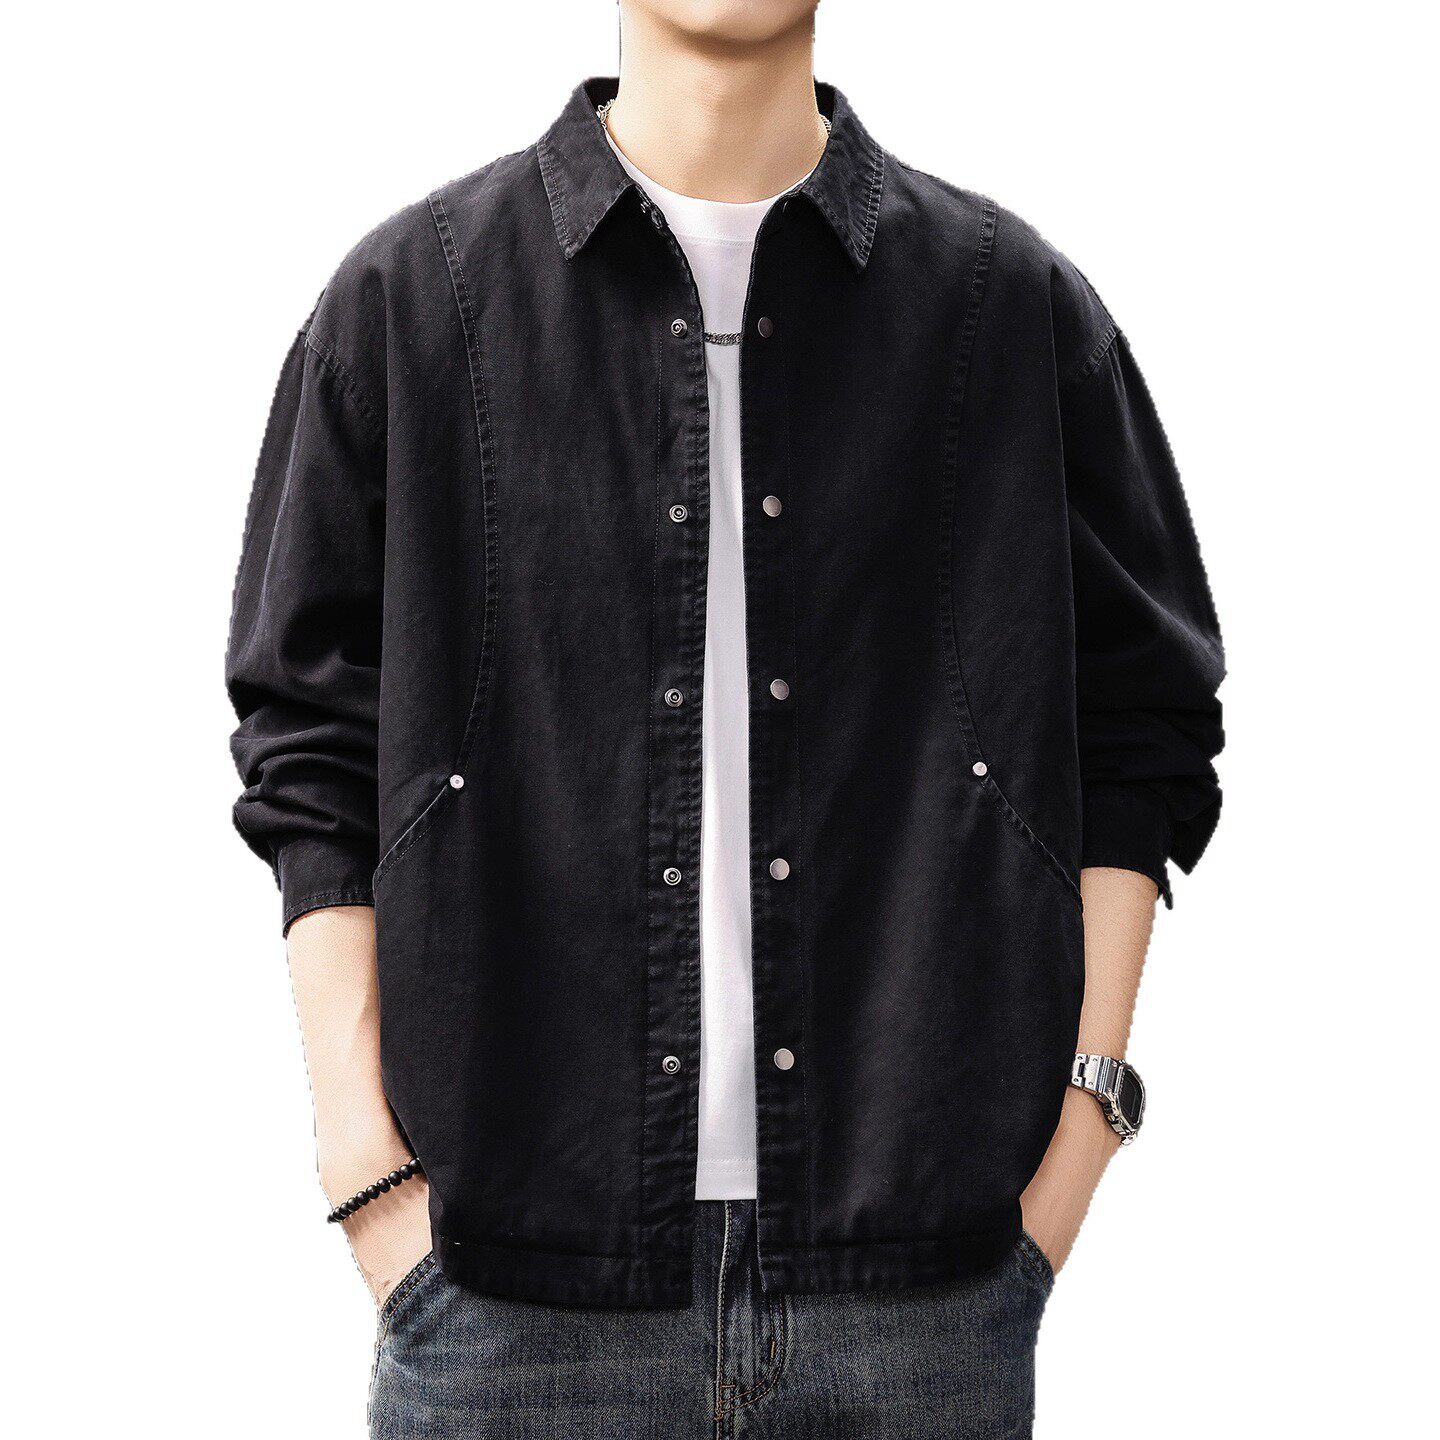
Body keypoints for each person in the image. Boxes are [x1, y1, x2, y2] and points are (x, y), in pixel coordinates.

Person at [226, 2, 1224, 1435]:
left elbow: (1144, 725)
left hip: (923, 1297)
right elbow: (308, 745)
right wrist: (365, 1170)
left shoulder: (1011, 313)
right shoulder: (409, 305)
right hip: (503, 1294)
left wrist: (1079, 1135)